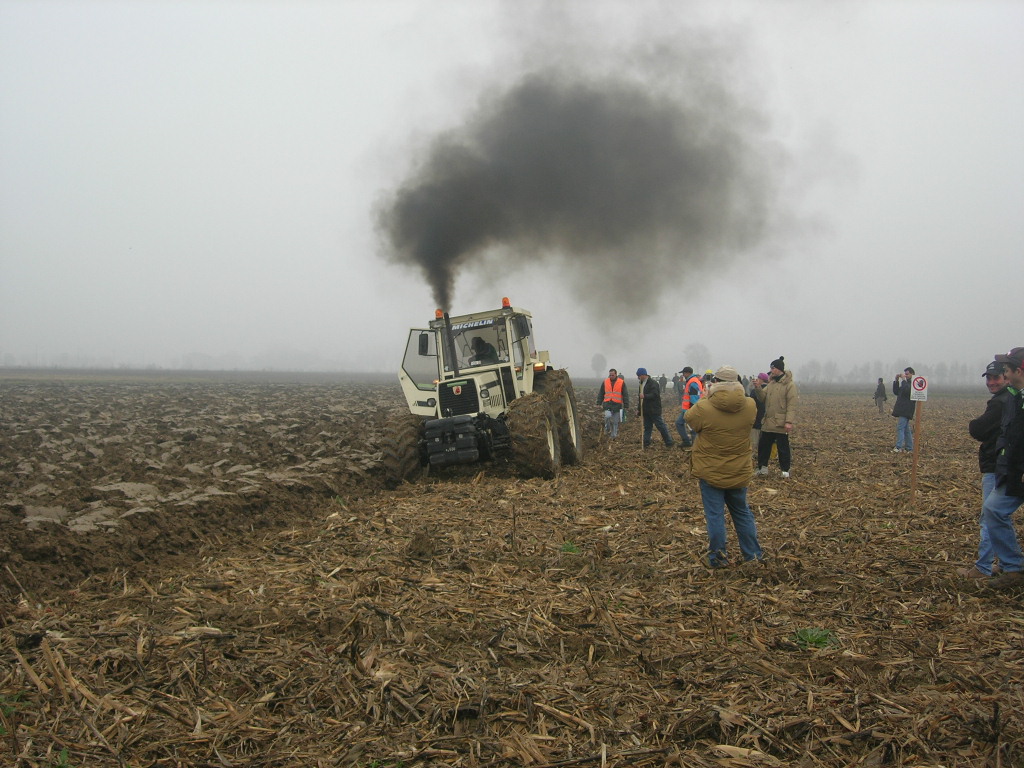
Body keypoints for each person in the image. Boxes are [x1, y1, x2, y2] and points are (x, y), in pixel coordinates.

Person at [684, 365, 763, 568]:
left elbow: (689, 420)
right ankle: (753, 556)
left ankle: (718, 559)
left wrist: (704, 397)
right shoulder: (750, 405)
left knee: (715, 516)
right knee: (742, 513)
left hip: (711, 472)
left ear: (715, 383)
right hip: (739, 470)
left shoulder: (705, 407)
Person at [959, 361, 1012, 579]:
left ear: (1007, 377)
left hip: (995, 464)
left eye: (996, 378)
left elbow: (979, 429)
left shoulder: (1000, 403)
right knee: (1001, 516)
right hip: (1005, 463)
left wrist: (973, 424)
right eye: (988, 378)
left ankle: (983, 567)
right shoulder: (1013, 398)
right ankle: (1009, 564)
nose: (991, 382)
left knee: (989, 516)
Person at [978, 347, 1024, 590]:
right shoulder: (1015, 397)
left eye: (1005, 369)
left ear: (1018, 370)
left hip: (1015, 469)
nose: (1002, 373)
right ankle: (1014, 568)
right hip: (1012, 470)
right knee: (993, 509)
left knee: (993, 510)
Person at [756, 356, 798, 478]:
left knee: (783, 448)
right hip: (768, 422)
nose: (770, 370)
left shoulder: (789, 385)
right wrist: (758, 388)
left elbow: (791, 404)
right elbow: (762, 398)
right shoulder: (771, 383)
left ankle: (785, 470)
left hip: (780, 423)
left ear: (778, 369)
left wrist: (788, 421)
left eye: (772, 368)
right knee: (763, 447)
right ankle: (762, 468)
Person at [636, 368, 674, 448]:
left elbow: (655, 394)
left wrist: (645, 396)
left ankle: (669, 442)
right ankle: (646, 443)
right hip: (646, 410)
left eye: (639, 376)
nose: (638, 377)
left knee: (661, 426)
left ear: (643, 375)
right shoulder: (641, 384)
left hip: (654, 409)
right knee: (647, 427)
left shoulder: (653, 383)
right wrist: (639, 409)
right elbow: (640, 399)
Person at [674, 366, 705, 448]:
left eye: (684, 373)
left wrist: (692, 409)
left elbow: (694, 398)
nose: (683, 375)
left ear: (687, 373)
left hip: (690, 409)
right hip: (687, 409)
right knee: (681, 423)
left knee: (691, 426)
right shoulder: (691, 381)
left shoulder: (693, 382)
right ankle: (689, 442)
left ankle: (693, 444)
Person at [596, 368, 628, 439]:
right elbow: (601, 393)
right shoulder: (605, 382)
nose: (611, 376)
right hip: (607, 403)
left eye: (612, 375)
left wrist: (626, 405)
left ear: (616, 375)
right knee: (607, 416)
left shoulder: (621, 382)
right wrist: (598, 402)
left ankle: (613, 436)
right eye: (610, 375)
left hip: (617, 405)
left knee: (615, 422)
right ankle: (607, 428)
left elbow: (625, 394)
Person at [891, 367, 916, 452]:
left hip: (907, 409)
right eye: (905, 374)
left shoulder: (913, 383)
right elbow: (896, 392)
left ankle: (898, 447)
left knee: (900, 428)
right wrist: (896, 381)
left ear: (912, 374)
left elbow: (907, 390)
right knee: (906, 429)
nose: (905, 375)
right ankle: (909, 448)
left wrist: (903, 380)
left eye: (907, 374)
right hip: (903, 408)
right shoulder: (905, 383)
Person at [749, 372, 769, 447]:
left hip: (756, 421)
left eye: (758, 378)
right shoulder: (771, 391)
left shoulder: (754, 392)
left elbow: (751, 405)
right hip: (768, 423)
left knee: (754, 444)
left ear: (761, 380)